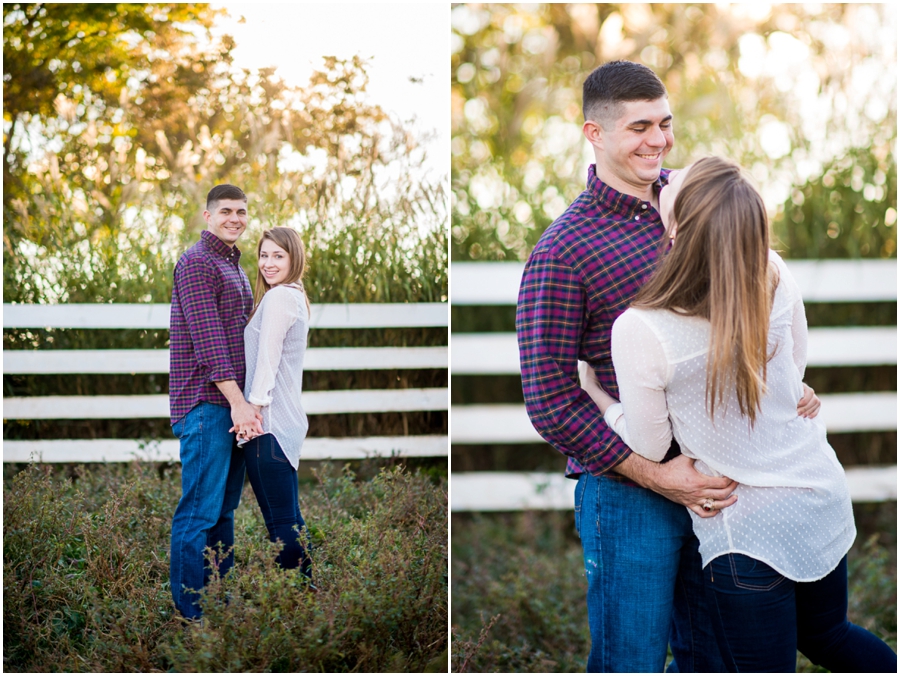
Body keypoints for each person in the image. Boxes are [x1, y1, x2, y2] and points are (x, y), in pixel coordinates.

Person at [516, 60, 817, 672]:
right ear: (594, 134)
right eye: (639, 127)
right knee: (633, 659)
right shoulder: (563, 250)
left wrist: (790, 384)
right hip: (631, 492)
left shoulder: (705, 201)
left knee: (715, 658)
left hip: (731, 478)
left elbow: (767, 299)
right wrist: (655, 475)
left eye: (666, 123)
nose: (659, 140)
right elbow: (549, 397)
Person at [580, 156, 897, 673]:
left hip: (745, 532)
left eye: (677, 179)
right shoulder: (772, 272)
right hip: (817, 495)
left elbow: (652, 446)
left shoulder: (642, 328)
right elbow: (793, 372)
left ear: (678, 228)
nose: (667, 173)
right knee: (831, 636)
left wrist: (597, 395)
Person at [169, 184, 263, 621]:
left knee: (223, 512)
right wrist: (239, 405)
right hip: (209, 407)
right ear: (207, 216)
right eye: (225, 211)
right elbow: (210, 345)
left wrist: (246, 405)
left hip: (233, 407)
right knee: (198, 514)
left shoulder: (235, 266)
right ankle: (192, 617)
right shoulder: (196, 263)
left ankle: (218, 604)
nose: (235, 218)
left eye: (241, 211)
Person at [232, 227, 313, 583]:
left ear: (294, 259)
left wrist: (253, 412)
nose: (268, 263)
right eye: (264, 255)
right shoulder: (292, 296)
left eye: (278, 256)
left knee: (281, 522)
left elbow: (268, 359)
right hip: (282, 422)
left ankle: (297, 595)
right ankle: (309, 591)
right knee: (290, 517)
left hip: (269, 423)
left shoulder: (280, 298)